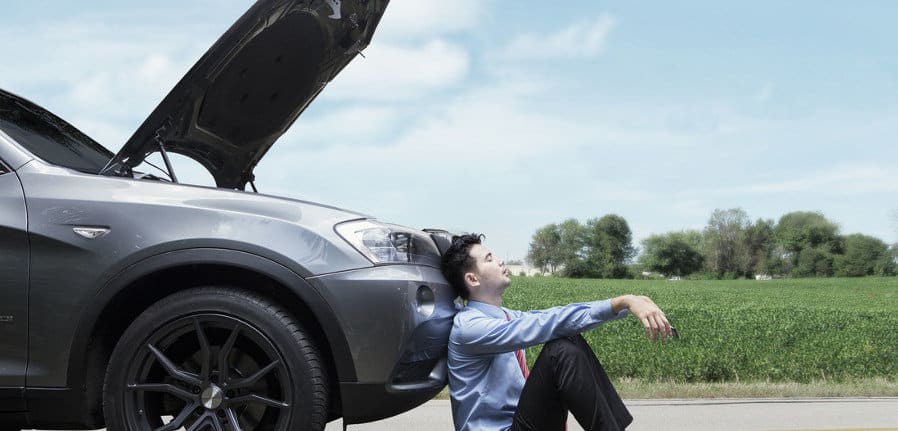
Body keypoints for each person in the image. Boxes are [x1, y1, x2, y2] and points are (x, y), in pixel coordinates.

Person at [440, 233, 673, 431]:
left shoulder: (506, 317)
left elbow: (549, 317)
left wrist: (624, 304)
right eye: (489, 259)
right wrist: (621, 302)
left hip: (520, 423)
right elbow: (546, 325)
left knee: (566, 336)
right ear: (472, 278)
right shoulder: (469, 327)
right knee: (559, 350)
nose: (500, 261)